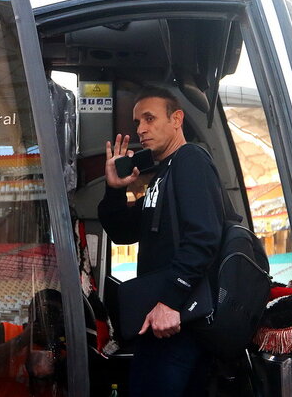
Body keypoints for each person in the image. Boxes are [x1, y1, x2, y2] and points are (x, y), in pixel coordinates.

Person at [98, 87, 224, 396]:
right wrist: (115, 189)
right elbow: (124, 233)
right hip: (161, 319)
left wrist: (170, 301)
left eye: (150, 118)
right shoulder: (161, 176)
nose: (141, 129)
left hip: (179, 319)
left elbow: (204, 236)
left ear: (176, 119)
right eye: (137, 122)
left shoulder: (190, 159)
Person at [0, 289, 67, 397]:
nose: (49, 318)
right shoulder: (7, 330)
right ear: (31, 313)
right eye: (45, 311)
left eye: (55, 313)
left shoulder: (62, 351)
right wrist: (22, 340)